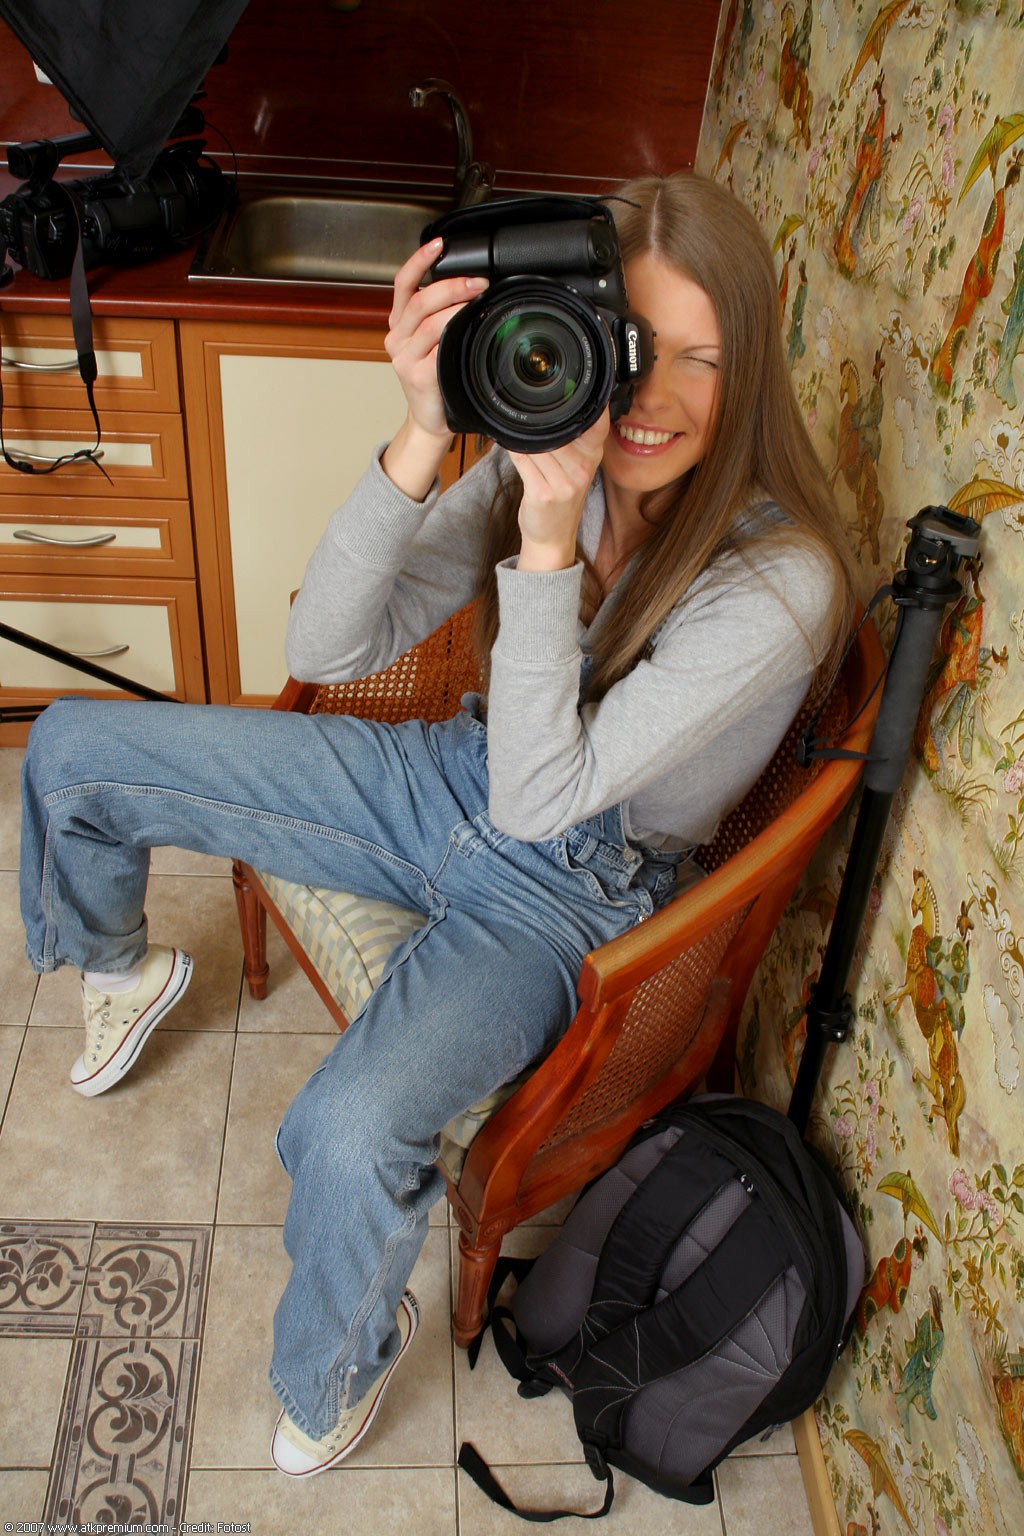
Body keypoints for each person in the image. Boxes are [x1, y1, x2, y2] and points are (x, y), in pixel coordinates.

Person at [19, 172, 854, 1474]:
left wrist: (549, 539)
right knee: (72, 750)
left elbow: (544, 799)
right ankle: (120, 969)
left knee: (346, 1130)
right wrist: (421, 430)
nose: (655, 396)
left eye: (705, 356)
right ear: (582, 331)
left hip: (572, 892)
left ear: (752, 369)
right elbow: (323, 645)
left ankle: (334, 1367)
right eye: (632, 345)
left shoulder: (780, 581)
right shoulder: (544, 454)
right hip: (446, 774)